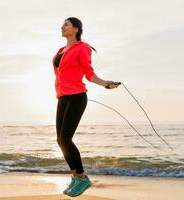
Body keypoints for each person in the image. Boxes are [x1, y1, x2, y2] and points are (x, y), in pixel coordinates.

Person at [52, 17, 120, 197]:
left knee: (66, 139)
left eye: (66, 24)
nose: (62, 26)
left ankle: (83, 178)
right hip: (63, 97)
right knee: (60, 140)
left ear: (75, 29)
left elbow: (89, 73)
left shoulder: (82, 48)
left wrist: (105, 83)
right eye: (62, 24)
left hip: (76, 97)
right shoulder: (60, 50)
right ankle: (75, 176)